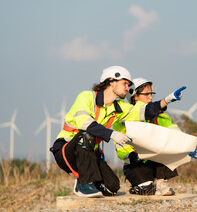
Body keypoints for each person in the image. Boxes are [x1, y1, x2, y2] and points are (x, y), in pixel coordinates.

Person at [50, 66, 186, 198]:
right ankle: (83, 183)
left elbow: (144, 111)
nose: (128, 88)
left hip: (89, 154)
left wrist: (166, 100)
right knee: (88, 134)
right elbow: (84, 122)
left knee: (112, 187)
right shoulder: (86, 97)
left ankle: (91, 182)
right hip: (67, 149)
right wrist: (112, 134)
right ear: (111, 82)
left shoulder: (119, 107)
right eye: (125, 83)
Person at [116, 78, 182, 196]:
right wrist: (131, 156)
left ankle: (161, 182)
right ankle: (143, 187)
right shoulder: (124, 117)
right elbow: (121, 148)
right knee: (146, 191)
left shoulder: (159, 116)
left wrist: (187, 145)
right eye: (146, 94)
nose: (150, 97)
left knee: (167, 142)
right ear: (135, 96)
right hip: (135, 162)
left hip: (155, 161)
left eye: (151, 93)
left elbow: (173, 131)